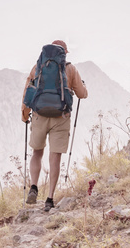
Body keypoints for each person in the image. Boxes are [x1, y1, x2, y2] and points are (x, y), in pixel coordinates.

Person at [21, 40, 88, 212]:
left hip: (39, 115)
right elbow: (82, 94)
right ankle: (49, 199)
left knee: (37, 152)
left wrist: (24, 114)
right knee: (55, 156)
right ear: (64, 52)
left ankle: (34, 187)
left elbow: (28, 91)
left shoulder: (38, 67)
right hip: (61, 117)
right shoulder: (70, 69)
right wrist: (83, 86)